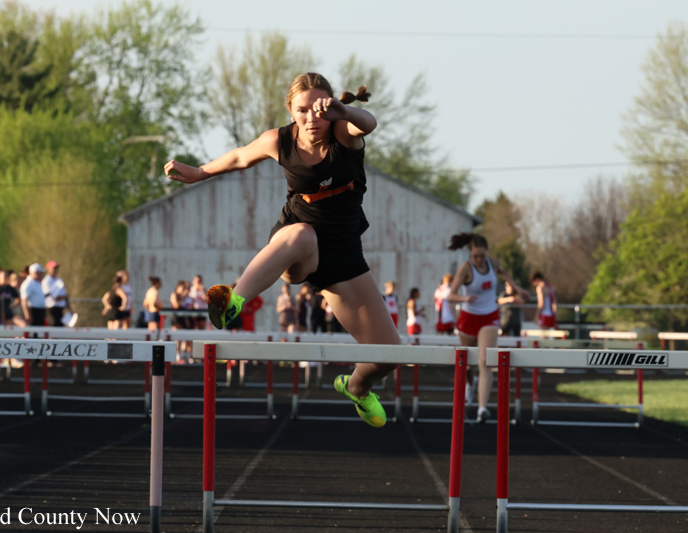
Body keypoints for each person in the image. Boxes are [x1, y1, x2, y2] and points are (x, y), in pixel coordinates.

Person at [165, 73, 395, 427]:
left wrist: (342, 112)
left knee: (389, 355)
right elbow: (241, 157)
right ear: (291, 110)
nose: (311, 119)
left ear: (331, 110)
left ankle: (357, 388)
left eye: (319, 111)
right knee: (301, 234)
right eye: (302, 111)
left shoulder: (343, 133)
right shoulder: (279, 140)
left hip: (341, 254)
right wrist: (198, 172)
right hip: (295, 248)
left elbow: (370, 122)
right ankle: (232, 302)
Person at [445, 233, 529, 423]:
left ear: (486, 253)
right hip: (468, 318)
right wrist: (465, 298)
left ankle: (482, 408)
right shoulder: (466, 269)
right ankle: (470, 383)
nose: (479, 260)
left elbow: (505, 274)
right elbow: (451, 296)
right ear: (470, 254)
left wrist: (518, 289)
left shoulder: (493, 264)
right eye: (475, 256)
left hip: (489, 316)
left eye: (482, 256)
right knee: (467, 364)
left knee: (485, 361)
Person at [42, 261, 71, 327]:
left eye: (56, 268)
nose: (55, 270)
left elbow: (65, 296)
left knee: (60, 328)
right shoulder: (46, 281)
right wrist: (63, 297)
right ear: (48, 269)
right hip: (51, 310)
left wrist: (70, 310)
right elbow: (55, 298)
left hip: (60, 309)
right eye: (53, 268)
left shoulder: (59, 280)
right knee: (53, 328)